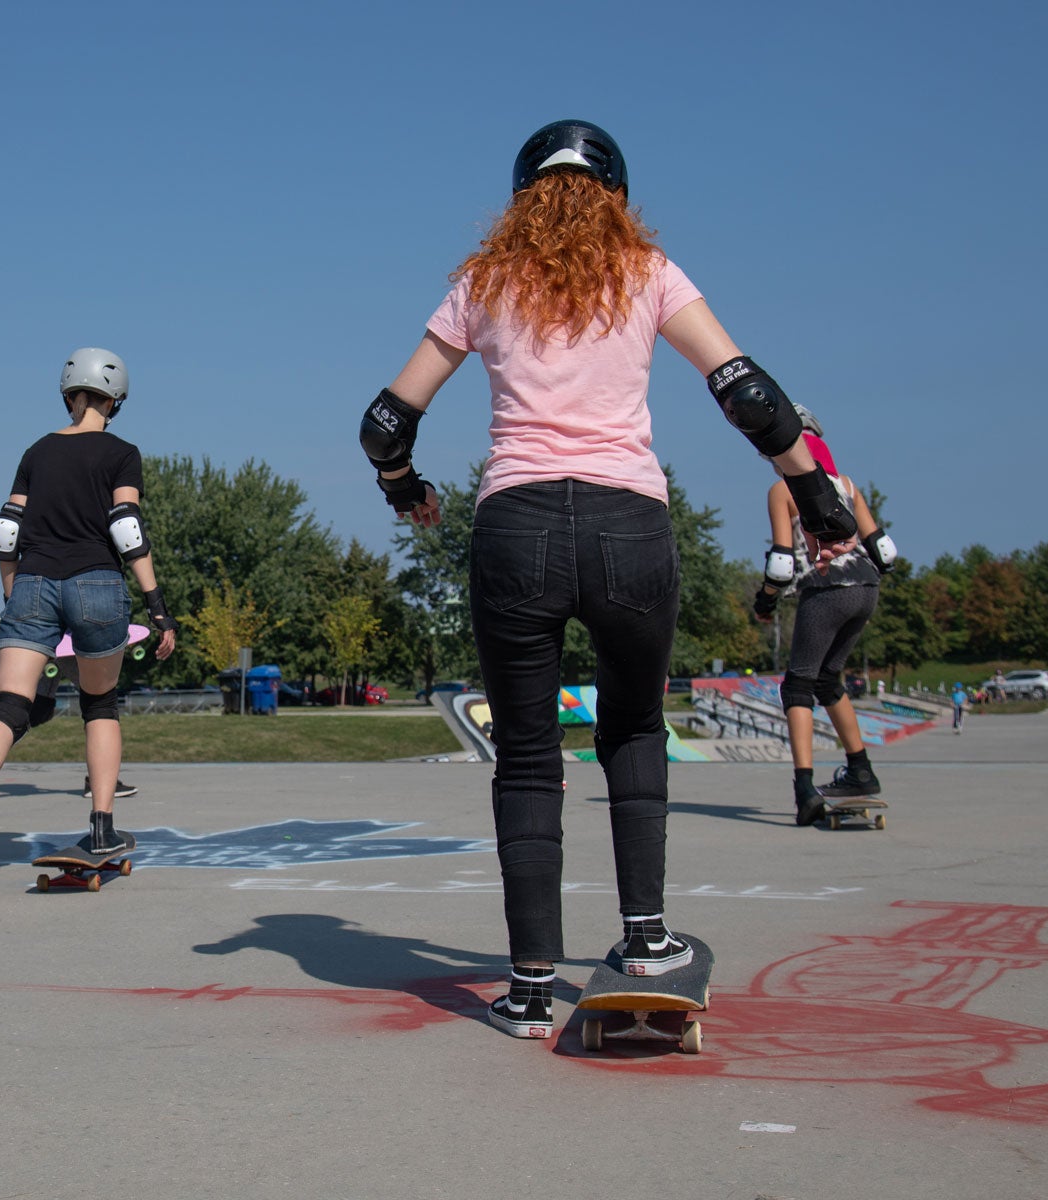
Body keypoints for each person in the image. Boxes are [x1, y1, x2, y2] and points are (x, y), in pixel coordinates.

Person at [358, 120, 859, 1039]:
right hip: (630, 524)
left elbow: (386, 421)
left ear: (519, 200)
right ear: (619, 197)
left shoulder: (484, 282)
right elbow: (745, 389)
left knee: (528, 748)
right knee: (631, 723)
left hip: (516, 526)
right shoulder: (648, 273)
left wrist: (406, 489)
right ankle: (646, 940)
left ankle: (530, 986)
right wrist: (817, 494)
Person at [0, 348, 178, 896]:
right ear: (115, 399)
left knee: (10, 704)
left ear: (67, 392)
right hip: (98, 582)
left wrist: (16, 592)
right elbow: (125, 524)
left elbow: (7, 528)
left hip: (32, 582)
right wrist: (157, 603)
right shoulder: (122, 453)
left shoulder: (37, 450)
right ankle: (101, 829)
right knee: (99, 703)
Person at [751, 410, 895, 826]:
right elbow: (883, 553)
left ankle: (804, 789)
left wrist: (765, 603)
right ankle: (861, 770)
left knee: (798, 685)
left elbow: (781, 565)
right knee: (828, 678)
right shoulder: (847, 484)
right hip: (866, 589)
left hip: (827, 588)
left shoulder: (783, 490)